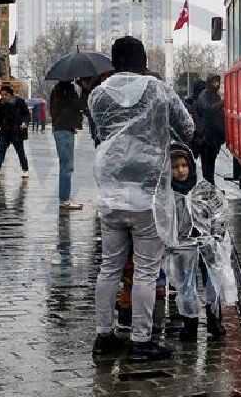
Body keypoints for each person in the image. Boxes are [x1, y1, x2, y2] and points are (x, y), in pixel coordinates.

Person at [89, 36, 195, 362]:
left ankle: (104, 336)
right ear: (143, 58)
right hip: (147, 194)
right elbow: (187, 127)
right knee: (146, 271)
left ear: (113, 61)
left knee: (109, 267)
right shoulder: (158, 89)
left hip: (109, 190)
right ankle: (140, 340)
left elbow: (102, 133)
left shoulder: (97, 95)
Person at [164, 143, 227, 341]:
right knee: (186, 285)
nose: (181, 170)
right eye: (175, 167)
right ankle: (189, 323)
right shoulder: (166, 194)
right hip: (183, 246)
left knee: (212, 282)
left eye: (184, 165)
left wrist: (217, 234)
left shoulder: (202, 189)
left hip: (206, 243)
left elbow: (218, 212)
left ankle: (214, 319)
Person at [49, 81, 86, 211]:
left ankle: (65, 198)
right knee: (67, 166)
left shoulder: (58, 89)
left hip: (62, 128)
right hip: (64, 129)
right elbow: (79, 105)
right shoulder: (67, 89)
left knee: (65, 165)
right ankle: (64, 200)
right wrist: (83, 88)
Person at [192, 74, 226, 183]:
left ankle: (211, 188)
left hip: (214, 139)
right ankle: (209, 189)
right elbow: (208, 110)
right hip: (206, 139)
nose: (217, 84)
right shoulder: (204, 95)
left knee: (211, 166)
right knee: (207, 168)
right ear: (209, 83)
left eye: (218, 82)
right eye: (214, 82)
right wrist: (222, 103)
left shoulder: (215, 95)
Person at [0, 84, 30, 177]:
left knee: (20, 151)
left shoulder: (19, 102)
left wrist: (25, 123)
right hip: (5, 131)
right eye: (2, 95)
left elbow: (26, 114)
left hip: (17, 131)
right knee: (1, 150)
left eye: (5, 95)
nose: (3, 97)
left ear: (11, 94)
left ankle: (25, 170)